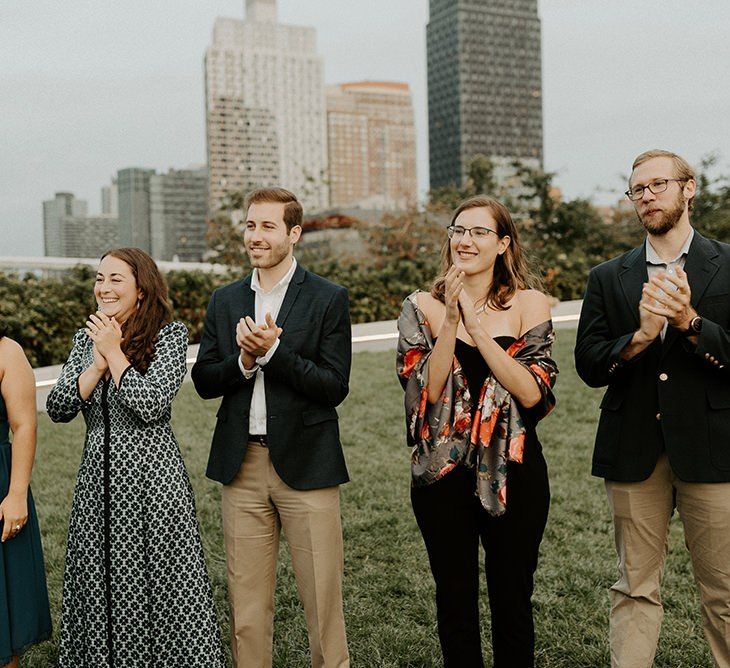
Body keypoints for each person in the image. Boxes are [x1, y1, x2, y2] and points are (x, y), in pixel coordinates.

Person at [575, 149, 730, 667]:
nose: (646, 196)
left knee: (725, 592)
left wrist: (689, 322)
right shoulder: (607, 276)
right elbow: (590, 366)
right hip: (634, 448)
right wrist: (638, 338)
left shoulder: (727, 264)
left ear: (689, 189)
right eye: (637, 189)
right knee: (634, 588)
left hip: (714, 449)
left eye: (657, 184)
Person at [192, 187, 352, 668]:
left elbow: (333, 385)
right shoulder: (225, 300)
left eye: (267, 226)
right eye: (249, 225)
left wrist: (275, 356)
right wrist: (243, 361)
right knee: (246, 606)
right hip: (242, 467)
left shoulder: (327, 297)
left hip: (308, 465)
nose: (255, 236)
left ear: (294, 233)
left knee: (322, 602)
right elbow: (203, 380)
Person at [396, 195, 558, 668]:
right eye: (458, 230)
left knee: (513, 599)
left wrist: (478, 327)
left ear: (504, 244)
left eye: (479, 232)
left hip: (515, 471)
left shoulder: (529, 304)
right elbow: (425, 391)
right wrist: (450, 319)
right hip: (441, 475)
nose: (465, 241)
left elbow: (533, 393)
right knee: (454, 600)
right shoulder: (420, 305)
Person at [46, 248, 225, 667]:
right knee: (102, 581)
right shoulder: (84, 338)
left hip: (152, 481)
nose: (103, 288)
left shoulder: (169, 336)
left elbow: (151, 404)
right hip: (97, 481)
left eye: (115, 279)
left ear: (141, 290)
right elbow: (58, 408)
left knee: (160, 583)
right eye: (99, 278)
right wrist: (94, 365)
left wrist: (116, 353)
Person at [0, 323, 52, 668]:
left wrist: (17, 493)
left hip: (0, 488)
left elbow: (24, 425)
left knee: (3, 623)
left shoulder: (6, 350)